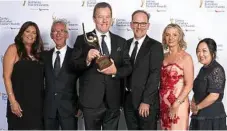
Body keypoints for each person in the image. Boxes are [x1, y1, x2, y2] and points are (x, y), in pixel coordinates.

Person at [70, 2, 132, 130]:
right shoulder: (83, 39)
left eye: (108, 17)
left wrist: (116, 71)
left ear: (111, 19)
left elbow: (128, 67)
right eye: (100, 17)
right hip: (90, 101)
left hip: (113, 101)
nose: (104, 21)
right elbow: (73, 66)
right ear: (94, 19)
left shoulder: (121, 42)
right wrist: (87, 59)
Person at [123, 10, 163, 130]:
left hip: (145, 102)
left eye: (143, 24)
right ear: (131, 25)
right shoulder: (125, 44)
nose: (139, 27)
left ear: (148, 26)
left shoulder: (155, 46)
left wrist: (146, 101)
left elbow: (155, 75)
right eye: (136, 23)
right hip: (127, 100)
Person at [3, 21, 44, 129]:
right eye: (27, 31)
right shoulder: (13, 49)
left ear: (36, 36)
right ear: (22, 33)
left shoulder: (38, 53)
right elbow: (6, 77)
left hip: (37, 105)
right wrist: (13, 102)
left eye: (34, 33)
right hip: (19, 104)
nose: (30, 35)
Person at [42, 19, 79, 130]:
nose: (58, 34)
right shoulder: (44, 56)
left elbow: (83, 82)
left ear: (67, 35)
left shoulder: (76, 55)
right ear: (51, 35)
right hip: (49, 109)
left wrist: (80, 105)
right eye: (55, 31)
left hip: (70, 109)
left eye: (62, 31)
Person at [159, 23, 194, 130]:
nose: (171, 38)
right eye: (168, 35)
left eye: (175, 35)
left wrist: (176, 104)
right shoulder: (162, 56)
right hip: (163, 103)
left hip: (179, 104)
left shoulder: (186, 58)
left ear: (180, 37)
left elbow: (189, 84)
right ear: (164, 37)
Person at [190, 38, 226, 130]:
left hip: (211, 116)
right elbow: (198, 90)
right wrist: (193, 104)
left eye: (204, 51)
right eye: (198, 51)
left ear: (212, 52)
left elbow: (214, 95)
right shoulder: (203, 69)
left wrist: (197, 107)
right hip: (199, 113)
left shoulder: (216, 69)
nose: (200, 54)